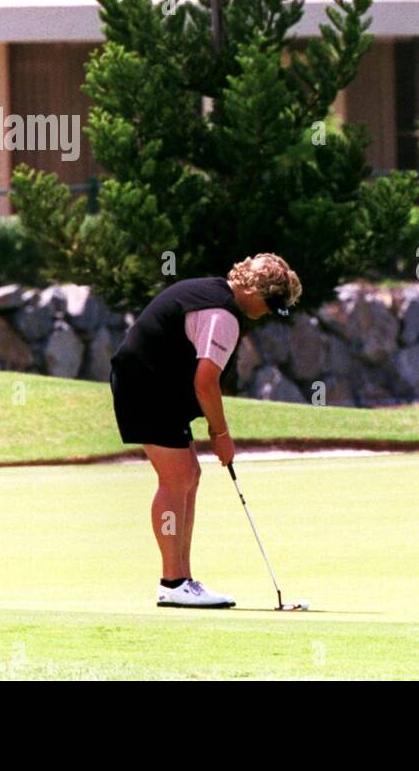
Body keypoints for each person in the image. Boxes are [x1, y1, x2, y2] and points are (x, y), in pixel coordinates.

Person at [109, 253, 302, 607]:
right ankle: (173, 582)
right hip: (145, 385)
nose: (268, 312)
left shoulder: (213, 293)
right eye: (269, 302)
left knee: (188, 475)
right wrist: (221, 436)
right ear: (252, 288)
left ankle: (182, 579)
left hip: (151, 384)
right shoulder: (223, 315)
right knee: (177, 476)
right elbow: (206, 382)